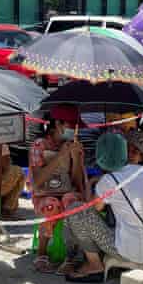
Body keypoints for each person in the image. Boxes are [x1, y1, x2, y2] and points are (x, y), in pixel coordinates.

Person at [64, 132, 143, 282]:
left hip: (129, 252)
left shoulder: (108, 181)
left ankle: (94, 265)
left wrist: (90, 184)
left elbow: (92, 210)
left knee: (75, 211)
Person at [29, 105, 86, 274]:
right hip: (44, 195)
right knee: (51, 204)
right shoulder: (39, 146)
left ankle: (71, 256)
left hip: (67, 192)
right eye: (70, 125)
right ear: (57, 124)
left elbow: (76, 183)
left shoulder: (74, 145)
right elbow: (38, 181)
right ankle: (42, 253)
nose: (73, 130)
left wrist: (75, 159)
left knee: (72, 201)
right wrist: (60, 156)